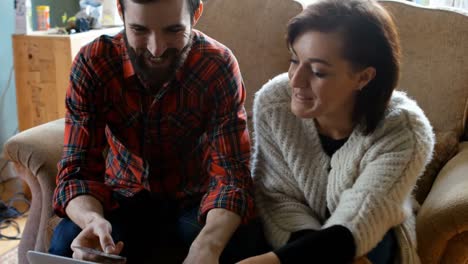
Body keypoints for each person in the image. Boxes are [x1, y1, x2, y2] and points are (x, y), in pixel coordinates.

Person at [48, 0, 268, 263]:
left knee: (243, 243)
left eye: (173, 30)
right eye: (140, 30)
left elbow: (232, 175)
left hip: (196, 198)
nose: (156, 49)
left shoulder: (216, 65)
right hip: (123, 195)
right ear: (121, 11)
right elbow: (77, 170)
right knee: (66, 244)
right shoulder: (94, 62)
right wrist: (91, 219)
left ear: (195, 14)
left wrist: (208, 244)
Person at [239, 0, 435, 264]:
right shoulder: (274, 102)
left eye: (318, 72)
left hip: (369, 235)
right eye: (295, 60)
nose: (295, 81)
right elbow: (278, 197)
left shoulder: (405, 129)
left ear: (363, 78)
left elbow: (359, 220)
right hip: (294, 233)